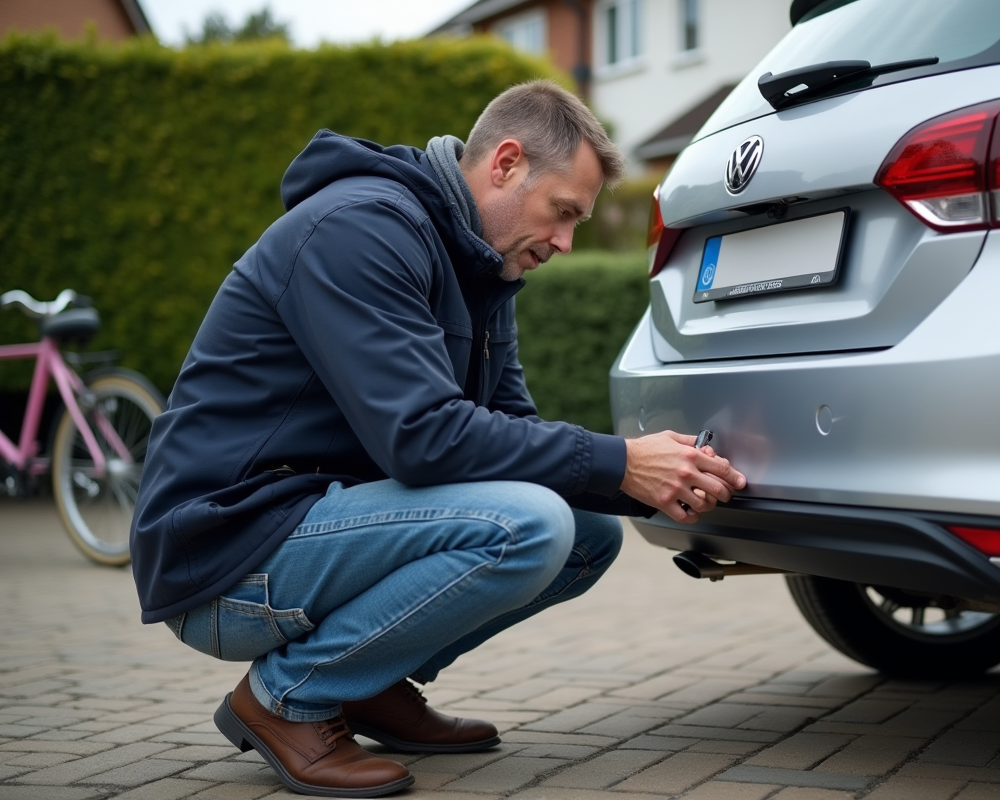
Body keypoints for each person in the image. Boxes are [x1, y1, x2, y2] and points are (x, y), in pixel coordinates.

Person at [130, 79, 746, 798]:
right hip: (226, 553)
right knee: (529, 526)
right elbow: (421, 439)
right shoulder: (359, 228)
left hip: (311, 524)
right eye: (564, 213)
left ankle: (367, 683)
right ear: (506, 164)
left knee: (587, 534)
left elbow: (512, 431)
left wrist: (659, 484)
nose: (566, 244)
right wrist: (621, 461)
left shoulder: (481, 267)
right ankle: (287, 699)